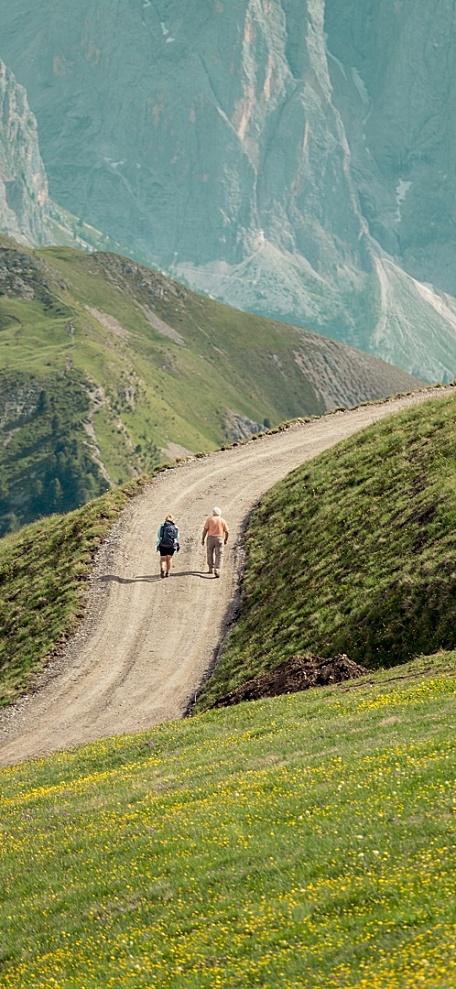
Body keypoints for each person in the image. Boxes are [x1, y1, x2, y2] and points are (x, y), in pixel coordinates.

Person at [202, 506, 229, 578]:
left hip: (210, 538)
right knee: (219, 555)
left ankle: (211, 568)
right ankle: (217, 570)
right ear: (220, 513)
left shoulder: (209, 519)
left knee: (209, 553)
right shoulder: (222, 520)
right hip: (219, 538)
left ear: (213, 513)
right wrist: (225, 540)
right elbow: (227, 532)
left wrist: (203, 539)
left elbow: (205, 530)